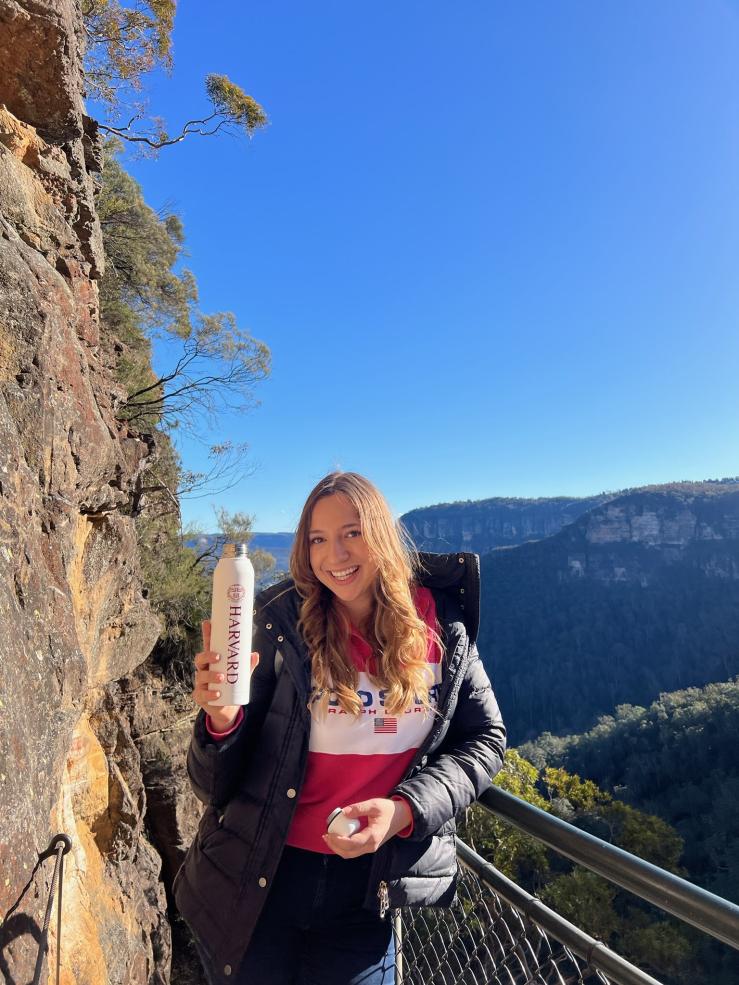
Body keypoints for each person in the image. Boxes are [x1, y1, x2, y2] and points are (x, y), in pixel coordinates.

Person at [173, 471, 506, 985]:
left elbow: (485, 741)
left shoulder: (443, 627)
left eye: (352, 533)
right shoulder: (280, 622)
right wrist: (220, 723)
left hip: (366, 892)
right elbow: (212, 785)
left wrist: (404, 810)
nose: (336, 556)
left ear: (382, 535)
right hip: (260, 881)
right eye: (318, 540)